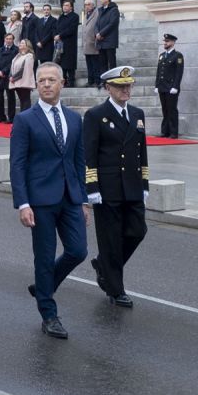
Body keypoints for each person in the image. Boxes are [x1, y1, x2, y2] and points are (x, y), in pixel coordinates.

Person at [10, 62, 89, 339]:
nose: (45, 85)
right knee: (43, 258)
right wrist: (23, 203)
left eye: (51, 80)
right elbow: (17, 164)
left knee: (78, 250)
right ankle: (49, 314)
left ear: (61, 83)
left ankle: (44, 286)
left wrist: (84, 200)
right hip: (40, 200)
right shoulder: (25, 119)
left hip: (70, 197)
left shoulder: (73, 119)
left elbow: (79, 160)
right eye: (41, 80)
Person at [84, 65, 149, 308]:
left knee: (137, 231)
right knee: (110, 239)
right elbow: (89, 154)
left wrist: (144, 183)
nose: (126, 90)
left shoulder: (137, 113)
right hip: (108, 188)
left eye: (128, 86)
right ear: (108, 88)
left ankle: (105, 265)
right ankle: (115, 288)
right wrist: (92, 187)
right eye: (120, 87)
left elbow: (142, 152)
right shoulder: (95, 115)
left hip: (131, 186)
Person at [155, 33, 184, 139]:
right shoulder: (162, 55)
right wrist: (157, 85)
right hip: (162, 87)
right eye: (164, 41)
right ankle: (165, 131)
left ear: (172, 42)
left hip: (171, 87)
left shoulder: (178, 56)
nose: (165, 43)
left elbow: (179, 73)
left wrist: (175, 86)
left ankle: (173, 132)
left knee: (172, 110)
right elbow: (159, 71)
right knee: (165, 110)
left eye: (167, 42)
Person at [0, 32, 18, 123]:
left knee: (11, 98)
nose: (8, 40)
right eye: (7, 39)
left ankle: (11, 117)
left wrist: (3, 71)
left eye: (10, 39)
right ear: (5, 40)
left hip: (8, 76)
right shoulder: (1, 49)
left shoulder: (16, 50)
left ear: (13, 40)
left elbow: (12, 63)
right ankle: (1, 116)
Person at [55, 0, 79, 85]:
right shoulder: (61, 17)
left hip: (70, 43)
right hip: (60, 44)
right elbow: (56, 27)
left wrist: (60, 35)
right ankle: (63, 80)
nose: (65, 7)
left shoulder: (74, 16)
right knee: (61, 62)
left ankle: (71, 81)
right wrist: (56, 35)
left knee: (70, 63)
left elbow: (71, 29)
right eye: (64, 5)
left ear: (71, 7)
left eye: (67, 5)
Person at [94, 0, 120, 74]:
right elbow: (96, 24)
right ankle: (104, 82)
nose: (100, 0)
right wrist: (97, 34)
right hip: (101, 42)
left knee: (111, 63)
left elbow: (112, 24)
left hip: (109, 41)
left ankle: (113, 80)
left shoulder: (114, 10)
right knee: (102, 63)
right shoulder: (100, 10)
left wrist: (101, 34)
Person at [10, 39, 36, 112]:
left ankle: (26, 117)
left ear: (26, 45)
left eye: (22, 43)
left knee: (26, 100)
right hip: (17, 82)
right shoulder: (18, 56)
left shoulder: (29, 56)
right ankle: (22, 116)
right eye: (20, 43)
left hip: (24, 81)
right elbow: (12, 66)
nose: (20, 44)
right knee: (22, 100)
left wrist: (14, 78)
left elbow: (24, 69)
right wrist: (11, 76)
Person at [81, 0, 101, 87]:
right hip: (86, 44)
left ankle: (97, 81)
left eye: (89, 4)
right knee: (89, 64)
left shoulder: (97, 13)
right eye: (85, 5)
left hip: (93, 43)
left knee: (95, 64)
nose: (87, 6)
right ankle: (90, 80)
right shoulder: (86, 15)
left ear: (93, 5)